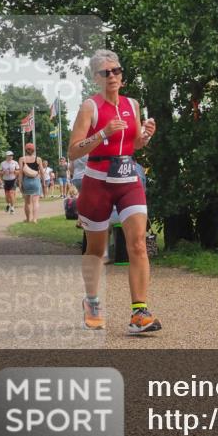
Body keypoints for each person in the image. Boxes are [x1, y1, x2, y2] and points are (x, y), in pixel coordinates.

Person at [68, 49, 159, 335]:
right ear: (96, 78)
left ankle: (139, 313)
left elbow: (135, 145)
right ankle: (92, 302)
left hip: (128, 180)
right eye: (106, 73)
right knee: (96, 250)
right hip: (97, 184)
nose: (113, 77)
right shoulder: (89, 107)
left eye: (116, 71)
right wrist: (102, 134)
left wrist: (144, 136)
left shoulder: (132, 104)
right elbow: (73, 151)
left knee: (138, 244)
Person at [19, 143, 43, 223]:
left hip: (26, 181)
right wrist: (43, 183)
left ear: (26, 150)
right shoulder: (38, 159)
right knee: (35, 201)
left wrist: (20, 183)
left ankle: (28, 219)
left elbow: (21, 173)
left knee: (27, 202)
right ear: (34, 150)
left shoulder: (22, 159)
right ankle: (35, 219)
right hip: (35, 180)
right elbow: (42, 172)